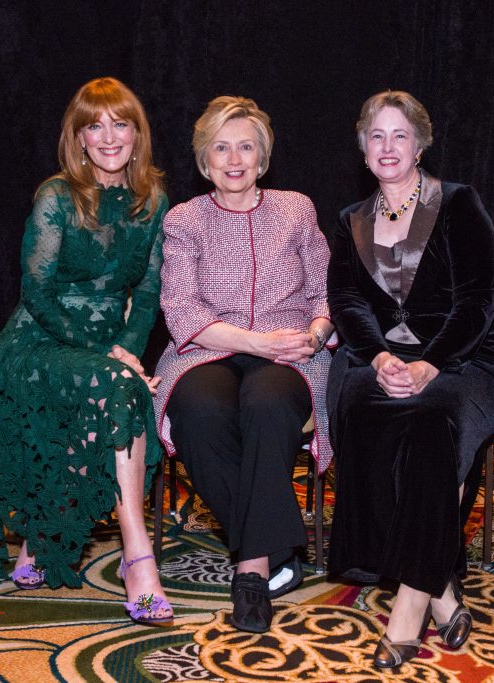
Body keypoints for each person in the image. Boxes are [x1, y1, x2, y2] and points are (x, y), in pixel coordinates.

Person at [0, 77, 173, 626]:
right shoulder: (57, 196)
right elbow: (38, 293)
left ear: (138, 135)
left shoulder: (154, 200)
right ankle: (137, 557)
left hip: (103, 349)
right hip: (37, 342)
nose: (109, 136)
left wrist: (126, 351)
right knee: (116, 385)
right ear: (79, 138)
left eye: (121, 123)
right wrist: (107, 357)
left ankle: (44, 538)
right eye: (95, 125)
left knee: (114, 384)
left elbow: (146, 295)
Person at [326, 90, 494, 668]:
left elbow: (477, 300)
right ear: (363, 148)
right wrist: (380, 358)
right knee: (357, 411)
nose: (388, 147)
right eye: (377, 136)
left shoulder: (458, 204)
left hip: (469, 358)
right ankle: (444, 594)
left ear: (420, 144)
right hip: (381, 358)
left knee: (436, 424)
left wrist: (429, 363)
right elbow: (345, 301)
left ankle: (410, 603)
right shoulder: (351, 220)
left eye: (400, 135)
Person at [152, 96, 335, 633]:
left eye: (246, 147)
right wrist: (258, 343)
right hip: (209, 346)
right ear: (205, 161)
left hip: (292, 351)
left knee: (268, 405)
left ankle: (251, 572)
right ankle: (276, 552)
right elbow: (182, 310)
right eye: (221, 148)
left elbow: (328, 293)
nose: (235, 159)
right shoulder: (184, 220)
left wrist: (316, 332)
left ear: (264, 157)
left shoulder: (297, 209)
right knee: (201, 415)